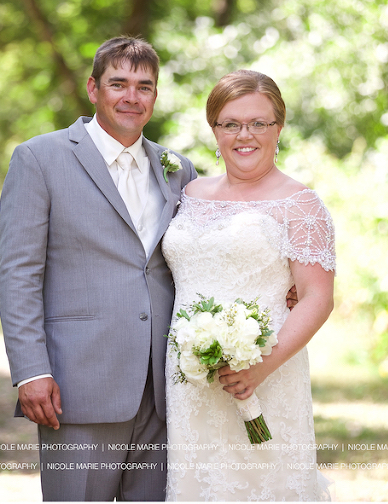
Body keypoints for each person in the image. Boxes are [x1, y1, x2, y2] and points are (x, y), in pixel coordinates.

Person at [0, 37, 197, 501]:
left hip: (165, 388)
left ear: (155, 95)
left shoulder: (177, 169)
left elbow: (195, 256)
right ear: (93, 88)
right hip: (77, 383)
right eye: (118, 83)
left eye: (144, 86)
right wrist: (30, 371)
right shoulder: (39, 159)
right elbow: (19, 273)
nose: (132, 96)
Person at [162, 70, 335, 501]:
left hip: (268, 373)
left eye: (259, 123)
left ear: (279, 128)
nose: (246, 135)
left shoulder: (301, 204)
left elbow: (317, 297)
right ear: (214, 129)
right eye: (230, 123)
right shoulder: (191, 193)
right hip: (190, 380)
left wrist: (260, 366)